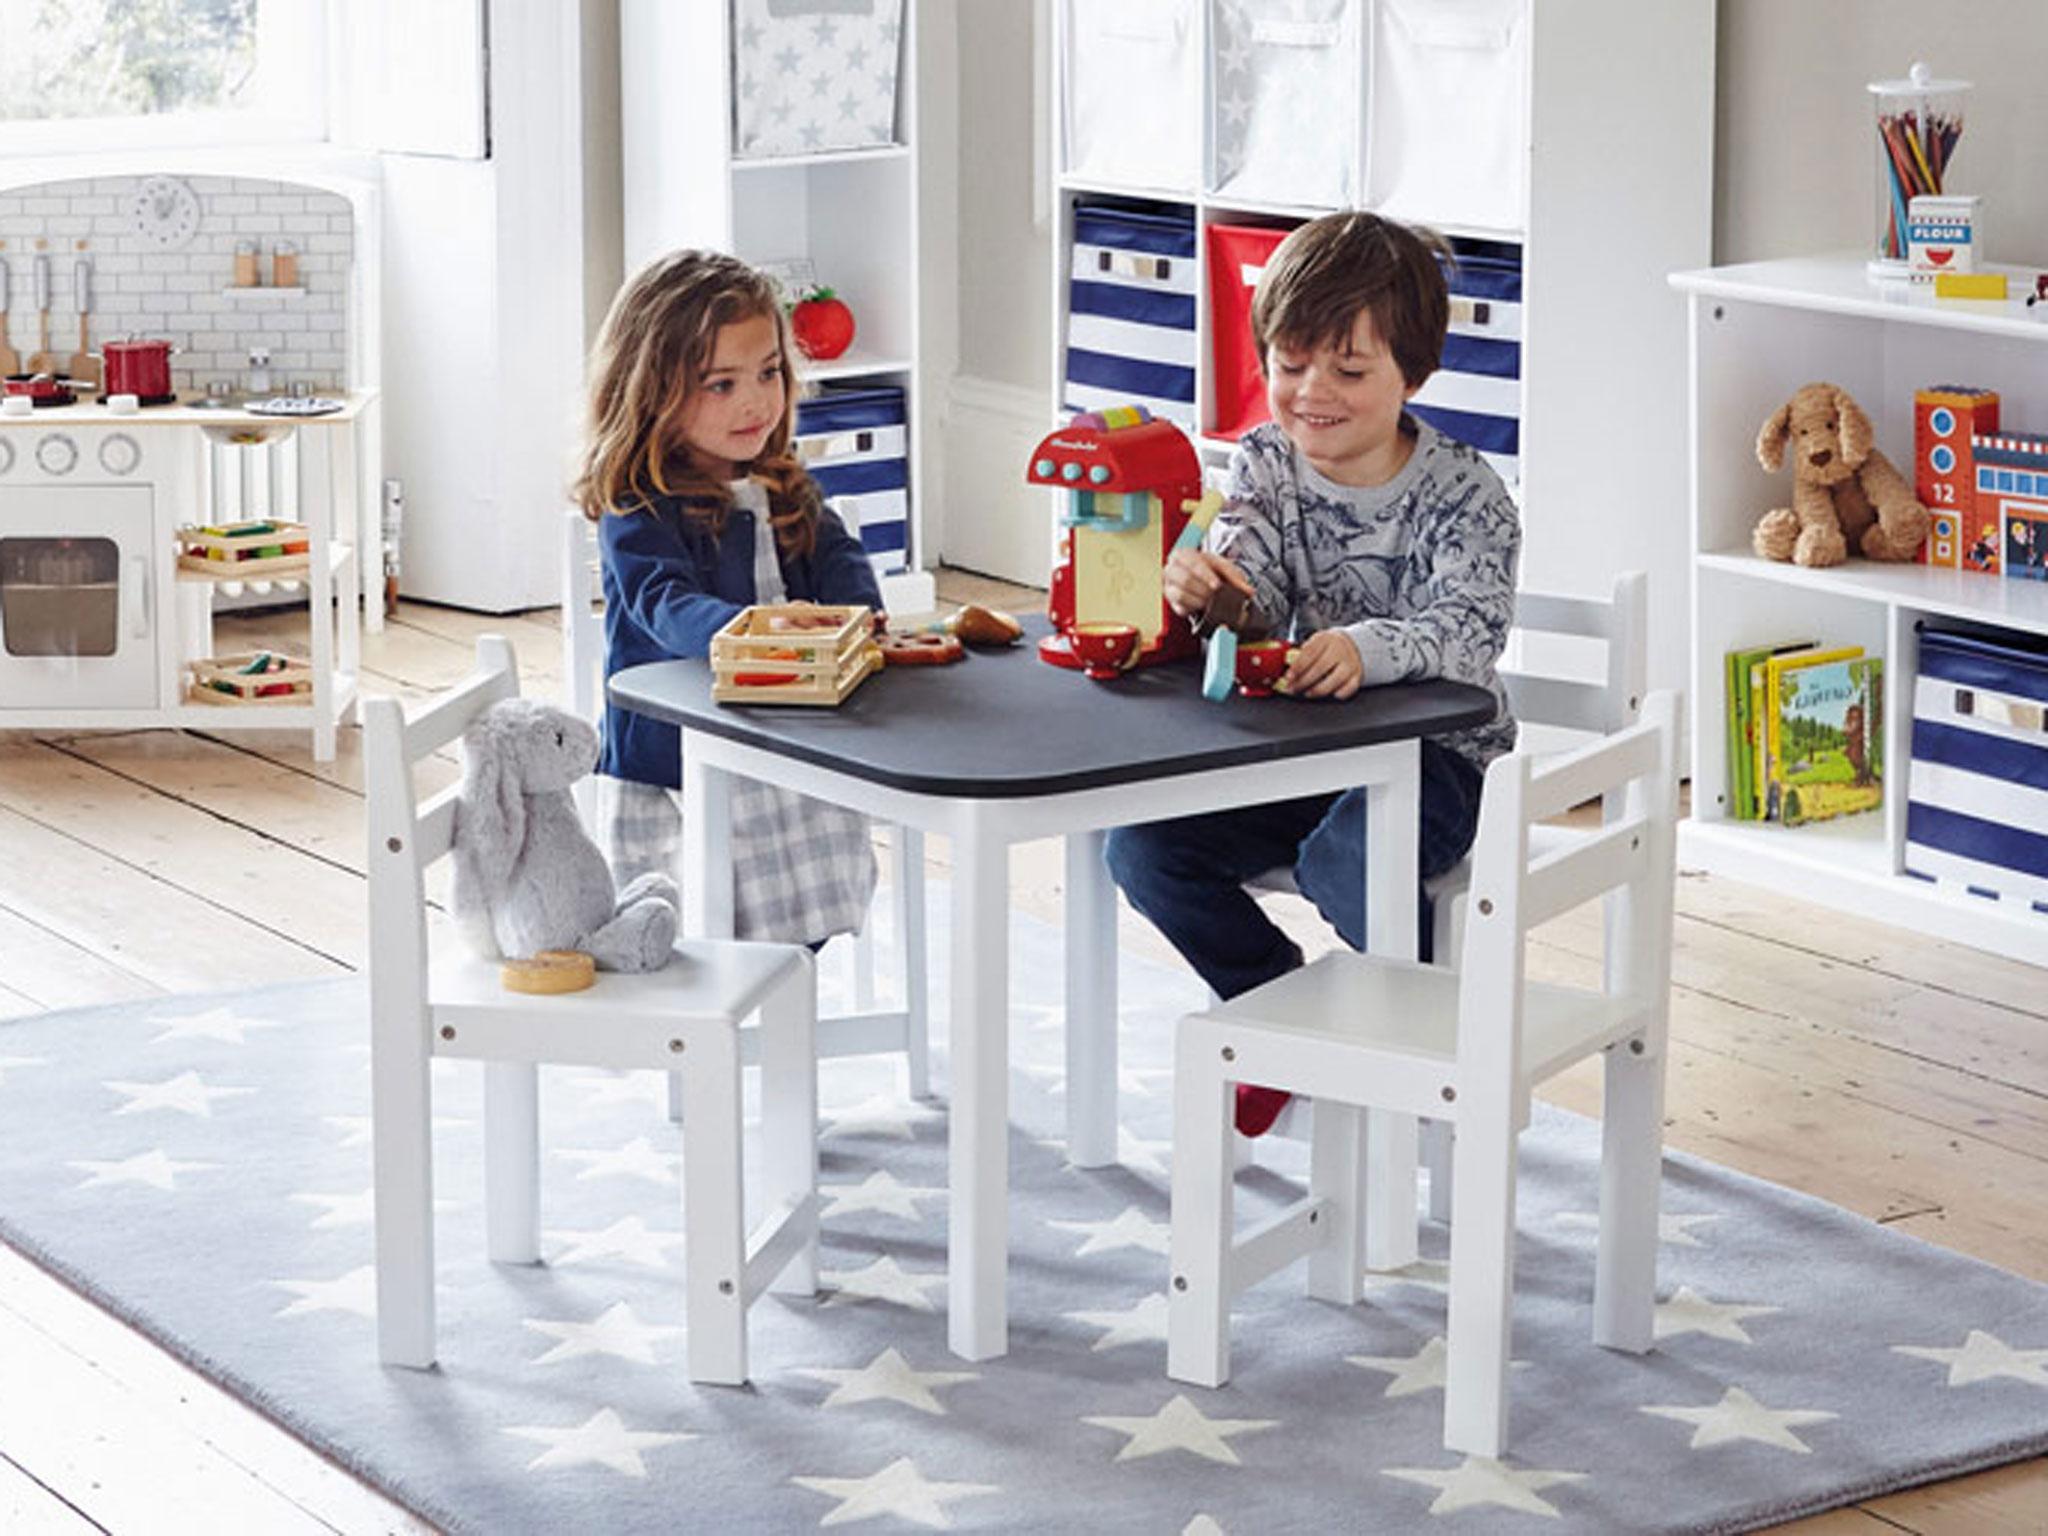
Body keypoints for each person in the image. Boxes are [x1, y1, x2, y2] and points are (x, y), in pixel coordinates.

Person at [1104, 211, 1521, 1136]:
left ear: (1413, 372)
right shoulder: (1263, 461)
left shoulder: (1466, 492)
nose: (1310, 393)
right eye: (1289, 366)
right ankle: (1272, 1008)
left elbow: (1470, 634)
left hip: (1438, 762)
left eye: (1348, 369)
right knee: (1141, 848)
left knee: (1347, 861)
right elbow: (1248, 585)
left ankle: (1425, 1044)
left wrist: (1365, 647)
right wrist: (1205, 586)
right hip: (1304, 749)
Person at [573, 249, 881, 945]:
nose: (755, 402)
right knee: (701, 930)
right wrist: (755, 630)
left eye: (769, 373)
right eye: (721, 384)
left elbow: (837, 553)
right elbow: (662, 600)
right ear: (651, 391)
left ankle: (786, 1002)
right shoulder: (640, 504)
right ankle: (719, 1032)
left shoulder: (780, 477)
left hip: (788, 743)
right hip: (685, 761)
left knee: (803, 913)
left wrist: (858, 617)